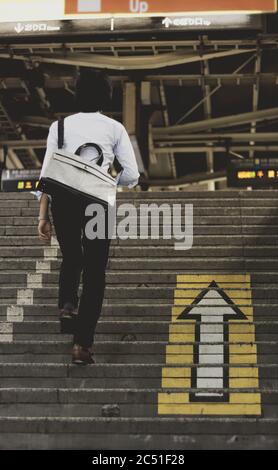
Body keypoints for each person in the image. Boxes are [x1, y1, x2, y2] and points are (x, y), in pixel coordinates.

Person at [37, 69, 140, 365]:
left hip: (64, 201)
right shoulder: (114, 128)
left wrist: (42, 216)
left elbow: (47, 175)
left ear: (77, 93)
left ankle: (67, 304)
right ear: (106, 96)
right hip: (99, 202)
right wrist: (107, 182)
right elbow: (131, 175)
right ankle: (82, 346)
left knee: (71, 256)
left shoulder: (59, 127)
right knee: (95, 272)